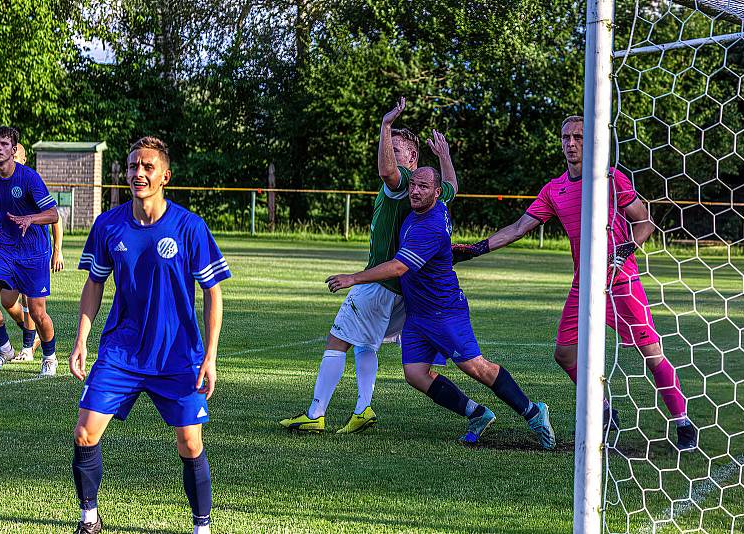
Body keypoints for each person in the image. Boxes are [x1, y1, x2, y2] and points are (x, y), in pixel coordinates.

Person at [451, 115, 697, 451]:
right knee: (564, 354)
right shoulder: (554, 189)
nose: (571, 143)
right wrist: (474, 250)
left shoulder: (611, 179)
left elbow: (645, 223)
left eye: (578, 137)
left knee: (651, 354)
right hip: (584, 286)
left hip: (622, 284)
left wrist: (622, 252)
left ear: (591, 140)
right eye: (566, 137)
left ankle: (683, 425)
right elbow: (519, 227)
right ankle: (605, 409)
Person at [327, 167, 556, 448]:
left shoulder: (429, 225)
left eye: (423, 186)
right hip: (418, 313)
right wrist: (445, 155)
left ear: (435, 193)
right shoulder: (428, 209)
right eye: (412, 185)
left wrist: (353, 278)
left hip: (445, 311)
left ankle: (534, 412)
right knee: (415, 374)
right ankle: (477, 413)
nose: (415, 190)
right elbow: (450, 185)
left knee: (476, 367)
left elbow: (399, 267)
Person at [69, 136, 229, 534]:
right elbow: (94, 283)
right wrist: (81, 339)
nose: (138, 173)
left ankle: (202, 527)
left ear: (165, 176)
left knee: (190, 444)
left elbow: (213, 293)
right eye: (132, 167)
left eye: (147, 167)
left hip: (177, 355)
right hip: (121, 351)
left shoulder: (190, 227)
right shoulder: (108, 224)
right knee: (85, 433)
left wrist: (209, 356)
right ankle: (90, 519)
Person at [280, 98, 462, 434]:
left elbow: (386, 171)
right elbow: (451, 188)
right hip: (402, 288)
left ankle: (316, 413)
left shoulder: (404, 184)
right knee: (365, 344)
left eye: (397, 148)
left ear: (412, 159)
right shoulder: (429, 189)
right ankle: (363, 408)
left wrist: (385, 124)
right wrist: (446, 158)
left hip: (380, 282)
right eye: (387, 146)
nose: (389, 151)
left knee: (337, 340)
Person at [0, 126, 59, 376]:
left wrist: (31, 218)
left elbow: (53, 214)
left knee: (38, 312)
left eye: (3, 144)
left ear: (14, 149)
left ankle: (49, 356)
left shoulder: (29, 178)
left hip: (34, 252)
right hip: (4, 249)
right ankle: (5, 349)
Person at [8, 143, 63, 361]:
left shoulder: (32, 182)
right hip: (12, 250)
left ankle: (29, 347)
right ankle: (34, 335)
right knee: (8, 301)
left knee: (32, 302)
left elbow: (55, 218)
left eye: (17, 157)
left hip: (35, 251)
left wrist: (57, 251)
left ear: (24, 160)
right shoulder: (2, 183)